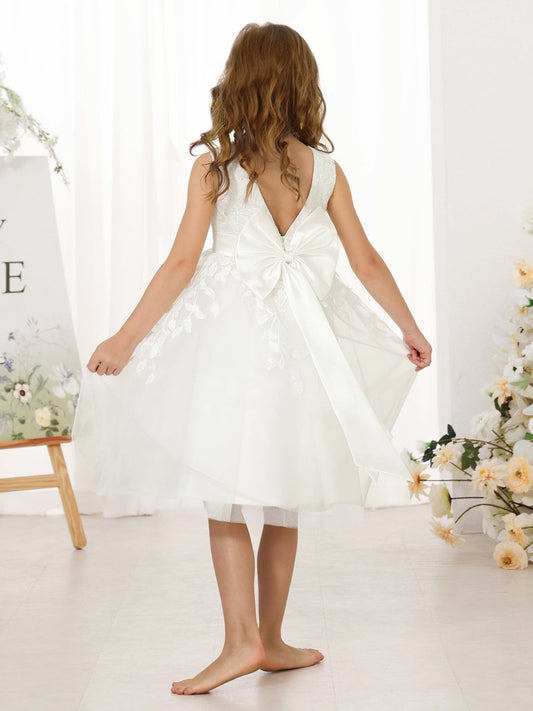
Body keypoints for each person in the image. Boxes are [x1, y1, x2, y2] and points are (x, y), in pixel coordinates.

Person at [72, 21, 431, 695]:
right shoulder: (323, 170)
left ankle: (245, 642)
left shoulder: (216, 167)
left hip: (232, 343)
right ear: (302, 84)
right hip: (303, 346)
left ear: (237, 82)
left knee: (229, 494)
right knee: (284, 492)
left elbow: (181, 264)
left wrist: (125, 339)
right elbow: (366, 261)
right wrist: (408, 328)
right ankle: (270, 636)